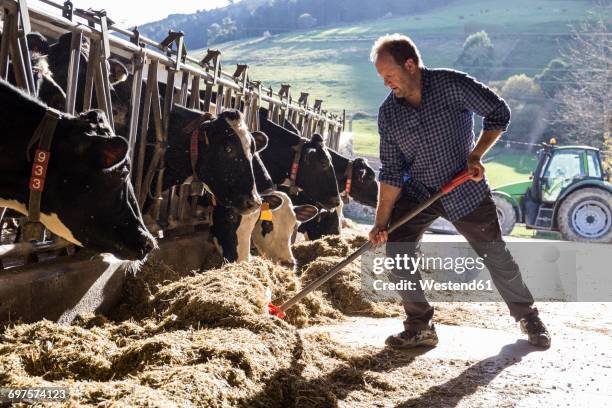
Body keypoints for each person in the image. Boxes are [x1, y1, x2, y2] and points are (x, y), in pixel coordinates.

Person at [368, 33, 551, 349]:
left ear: (410, 65)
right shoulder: (389, 114)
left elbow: (499, 112)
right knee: (397, 249)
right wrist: (381, 223)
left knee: (495, 255)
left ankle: (529, 317)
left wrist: (476, 154)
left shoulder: (451, 86)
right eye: (382, 78)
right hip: (421, 191)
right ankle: (420, 326)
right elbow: (392, 171)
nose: (386, 84)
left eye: (389, 75)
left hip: (463, 187)